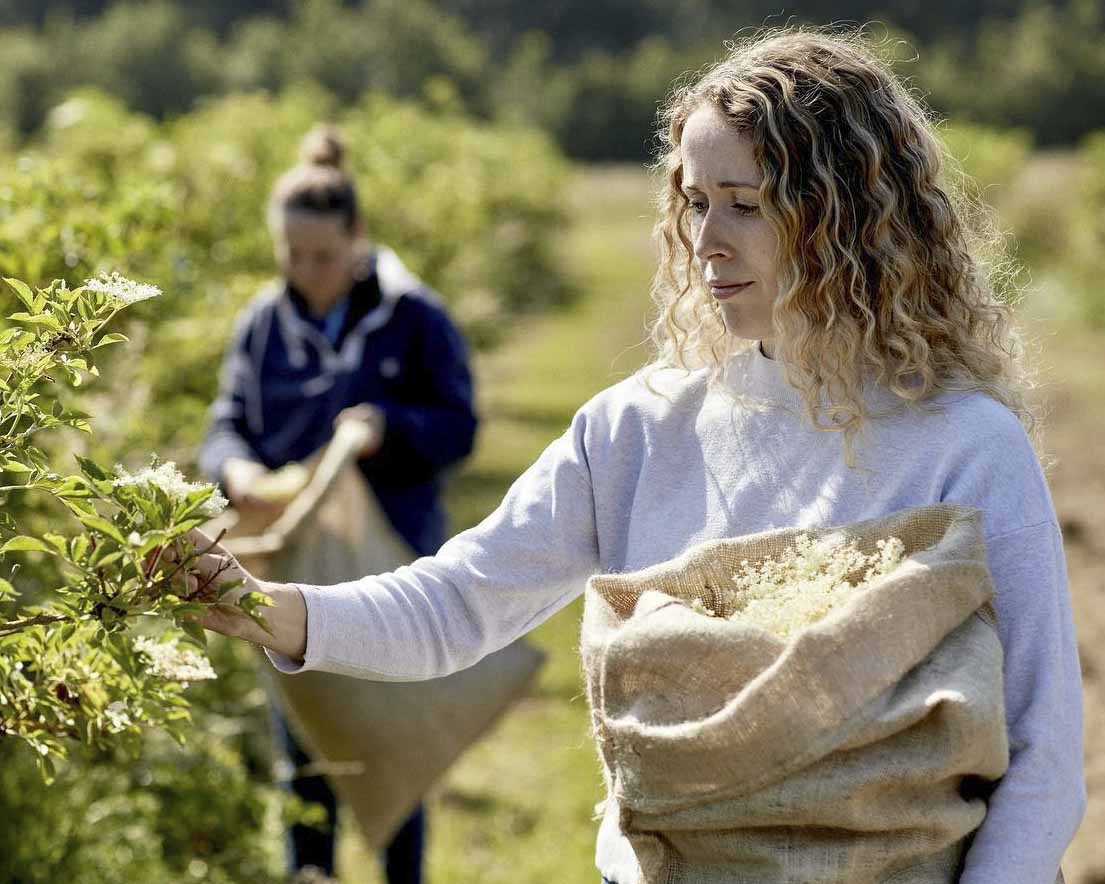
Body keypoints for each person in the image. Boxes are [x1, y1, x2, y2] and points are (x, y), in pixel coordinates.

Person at [190, 29, 1083, 884]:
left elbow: (1040, 751)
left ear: (843, 213)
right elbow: (457, 604)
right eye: (695, 202)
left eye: (745, 204)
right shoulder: (638, 428)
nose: (706, 241)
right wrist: (264, 607)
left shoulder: (965, 446)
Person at [198, 124, 478, 883]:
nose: (306, 270)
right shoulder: (262, 324)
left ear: (358, 238)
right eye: (292, 253)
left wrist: (389, 427)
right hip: (293, 560)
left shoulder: (412, 316)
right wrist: (240, 469)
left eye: (322, 255)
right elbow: (224, 423)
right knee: (306, 748)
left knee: (390, 741)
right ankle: (310, 874)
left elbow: (459, 427)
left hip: (389, 554)